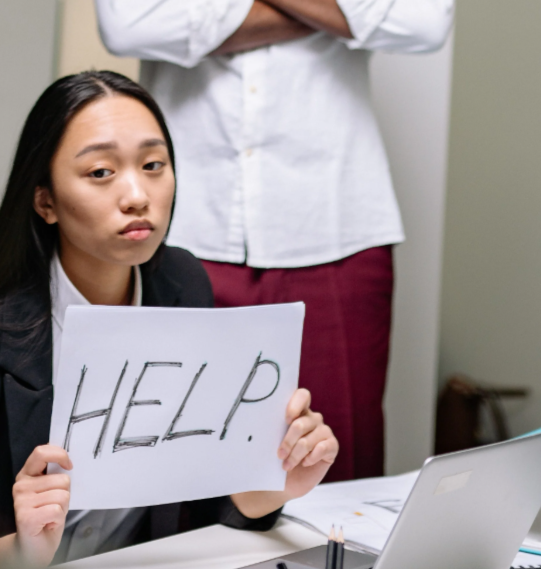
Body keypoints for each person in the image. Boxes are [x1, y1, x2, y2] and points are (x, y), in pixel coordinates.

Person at [0, 71, 339, 569]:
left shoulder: (179, 285)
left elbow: (184, 502)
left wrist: (265, 486)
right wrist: (19, 550)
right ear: (45, 200)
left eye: (154, 165)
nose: (136, 195)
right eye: (101, 173)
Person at [95, 0, 454, 481]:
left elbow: (424, 22)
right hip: (191, 224)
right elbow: (128, 25)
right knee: (176, 459)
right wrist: (332, 18)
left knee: (338, 460)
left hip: (334, 223)